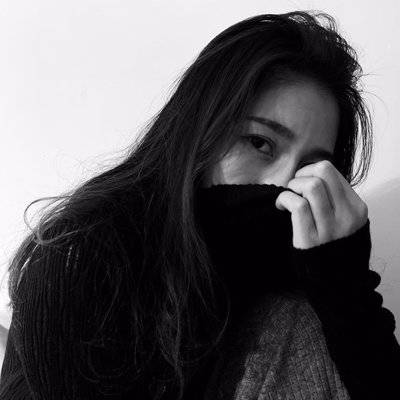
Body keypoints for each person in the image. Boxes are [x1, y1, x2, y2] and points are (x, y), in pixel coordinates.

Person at [0, 10, 399, 400]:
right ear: (199, 132)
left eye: (310, 168)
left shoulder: (293, 289)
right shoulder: (79, 258)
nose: (283, 183)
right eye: (259, 142)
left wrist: (348, 292)